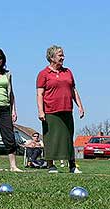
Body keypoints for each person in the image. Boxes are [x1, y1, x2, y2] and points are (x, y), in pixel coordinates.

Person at [36, 45, 84, 174]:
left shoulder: (67, 72)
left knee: (68, 138)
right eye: (60, 55)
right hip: (50, 111)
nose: (63, 57)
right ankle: (51, 165)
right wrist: (41, 111)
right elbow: (39, 94)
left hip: (67, 109)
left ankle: (72, 165)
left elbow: (73, 90)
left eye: (63, 55)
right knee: (51, 138)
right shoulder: (43, 74)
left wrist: (80, 105)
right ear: (51, 57)